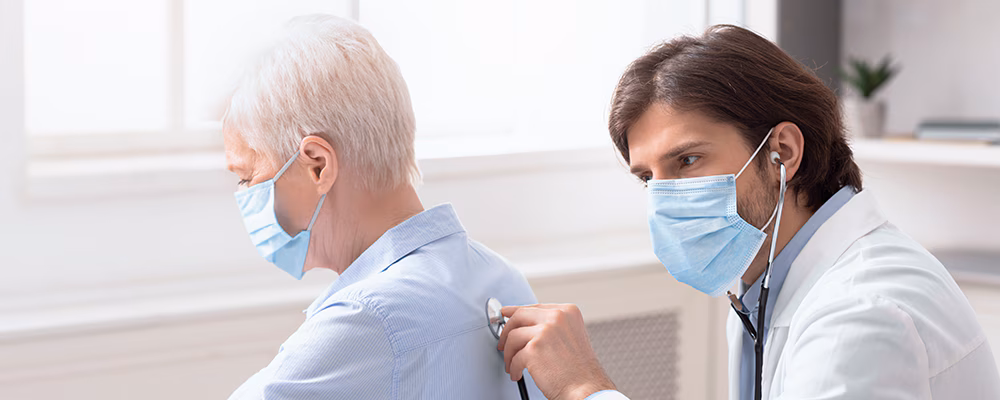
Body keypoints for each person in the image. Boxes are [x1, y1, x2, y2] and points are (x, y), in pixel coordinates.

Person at [497, 25, 1000, 400]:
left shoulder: (857, 318)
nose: (665, 197)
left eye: (687, 160)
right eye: (648, 178)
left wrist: (585, 389)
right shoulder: (760, 285)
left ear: (782, 151)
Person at [223, 15, 542, 399]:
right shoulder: (505, 281)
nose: (245, 196)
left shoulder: (365, 320)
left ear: (317, 164)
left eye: (247, 177)